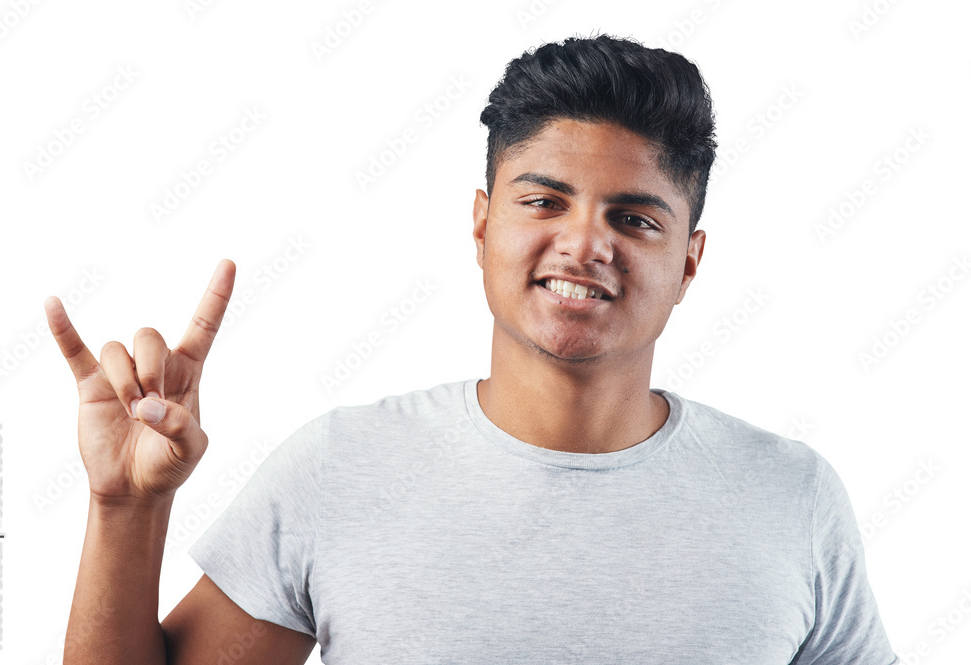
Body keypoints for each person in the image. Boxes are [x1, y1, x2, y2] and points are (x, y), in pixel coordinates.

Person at [49, 33, 898, 664]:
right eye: (545, 201)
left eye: (634, 218)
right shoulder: (342, 468)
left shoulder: (793, 499)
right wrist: (125, 509)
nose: (584, 243)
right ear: (483, 224)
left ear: (689, 262)